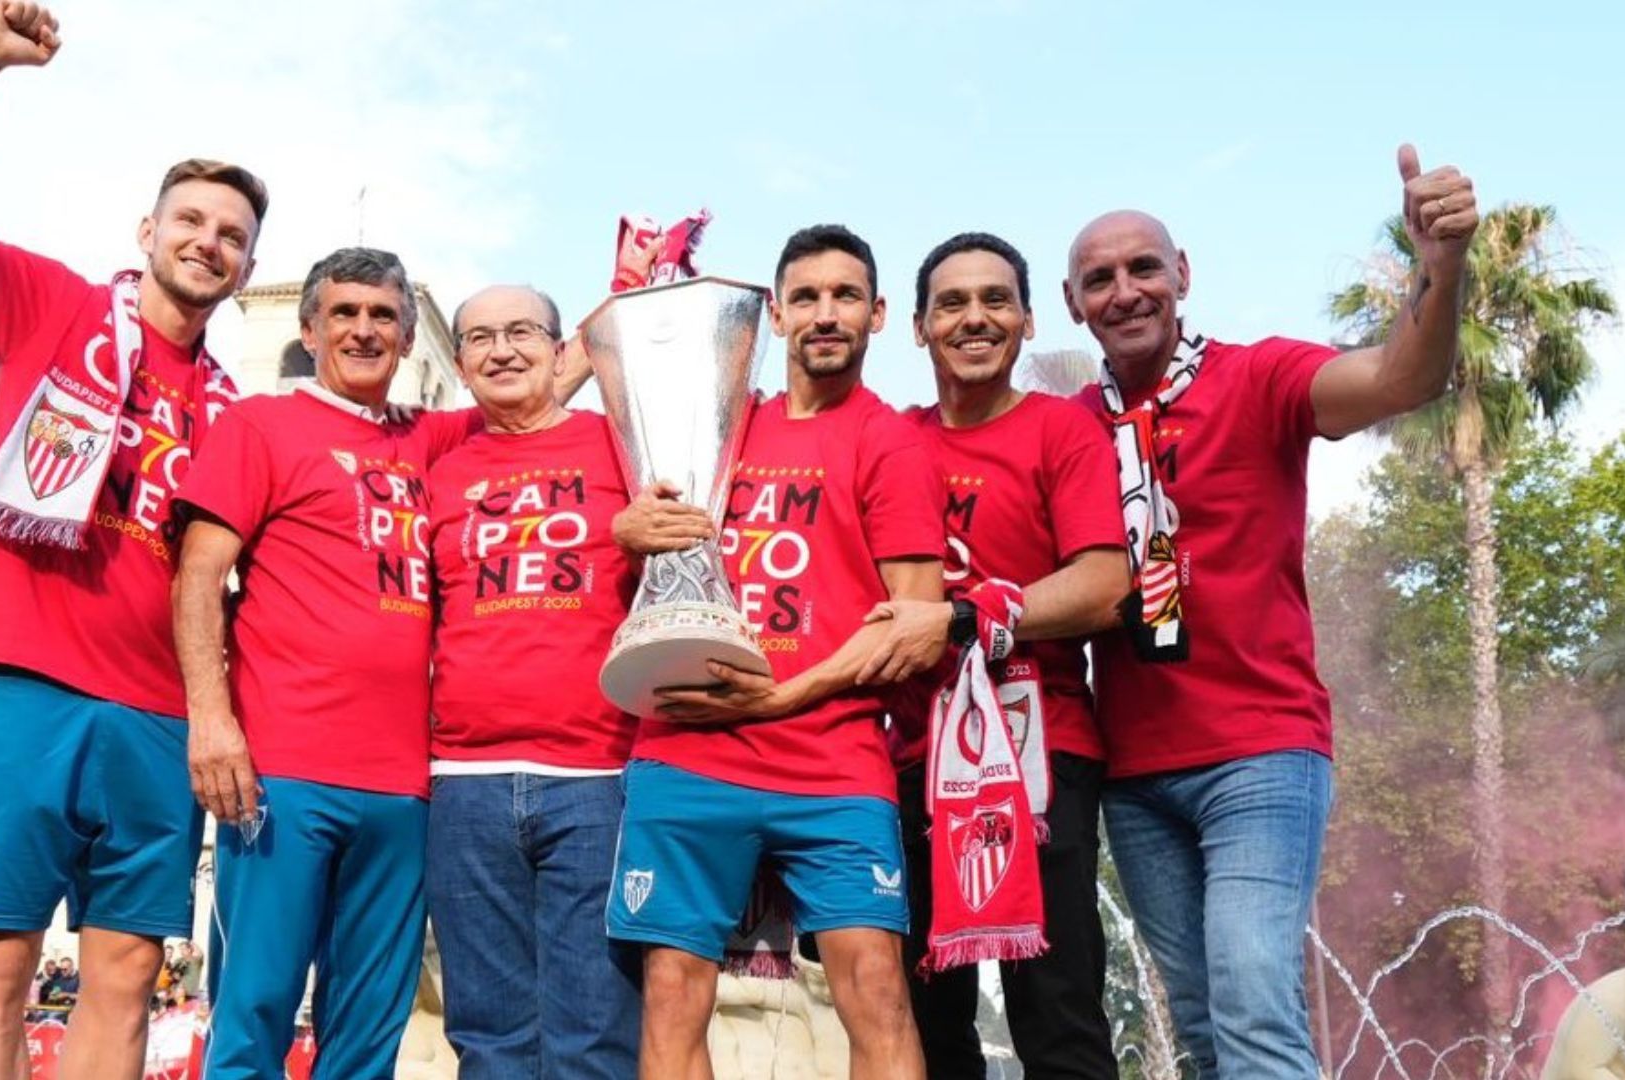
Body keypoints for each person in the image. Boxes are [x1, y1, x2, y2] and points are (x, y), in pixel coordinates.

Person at [0, 2, 266, 1074]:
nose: (208, 241)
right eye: (190, 220)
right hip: (25, 683)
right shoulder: (54, 306)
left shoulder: (240, 414)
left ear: (244, 267)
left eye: (232, 235)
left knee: (127, 975)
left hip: (159, 714)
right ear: (148, 233)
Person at [1063, 145, 1477, 1077]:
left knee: (1253, 1001)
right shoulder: (1071, 424)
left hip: (1259, 753)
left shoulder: (1259, 377)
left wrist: (1440, 266)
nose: (1125, 292)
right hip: (1133, 772)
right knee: (1203, 1028)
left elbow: (1402, 379)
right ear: (1072, 302)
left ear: (1183, 274)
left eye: (1143, 268)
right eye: (1099, 279)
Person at [607, 224, 946, 1080]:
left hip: (832, 761)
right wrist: (630, 528)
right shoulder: (716, 425)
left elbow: (913, 623)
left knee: (877, 992)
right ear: (777, 315)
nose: (825, 313)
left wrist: (782, 697)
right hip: (689, 751)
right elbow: (650, 548)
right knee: (673, 993)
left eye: (844, 296)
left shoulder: (892, 442)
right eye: (806, 297)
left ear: (876, 314)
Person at [174, 247, 475, 1079]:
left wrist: (631, 284)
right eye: (344, 313)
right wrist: (211, 720)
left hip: (405, 786)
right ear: (310, 332)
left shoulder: (430, 438)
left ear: (407, 338)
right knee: (253, 1015)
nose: (363, 330)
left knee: (368, 1035)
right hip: (282, 772)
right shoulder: (260, 426)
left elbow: (536, 382)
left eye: (383, 316)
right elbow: (198, 575)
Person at [875, 232, 1130, 1077]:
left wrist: (967, 617)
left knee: (1057, 1017)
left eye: (995, 300)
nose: (974, 318)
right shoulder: (889, 439)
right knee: (923, 1026)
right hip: (909, 758)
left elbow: (1105, 585)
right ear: (918, 327)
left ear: (1027, 319)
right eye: (951, 303)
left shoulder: (1063, 430)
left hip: (1039, 748)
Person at [423, 285, 645, 1078]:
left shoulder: (621, 445)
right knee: (489, 1040)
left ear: (559, 351)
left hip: (598, 776)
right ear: (460, 365)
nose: (502, 350)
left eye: (521, 332)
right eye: (480, 338)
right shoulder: (441, 471)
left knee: (596, 1035)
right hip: (464, 782)